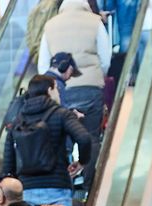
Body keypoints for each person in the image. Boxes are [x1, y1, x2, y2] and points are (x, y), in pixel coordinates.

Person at [2, 74, 95, 206]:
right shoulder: (62, 114)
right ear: (50, 90)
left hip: (26, 190)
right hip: (57, 188)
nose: (58, 93)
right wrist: (82, 162)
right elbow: (84, 138)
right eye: (56, 89)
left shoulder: (18, 120)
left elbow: (8, 159)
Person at [41, 0, 112, 177]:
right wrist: (96, 76)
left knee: (62, 141)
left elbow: (43, 66)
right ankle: (88, 186)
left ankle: (68, 185)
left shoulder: (50, 26)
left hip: (60, 91)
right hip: (90, 89)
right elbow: (106, 58)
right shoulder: (95, 21)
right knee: (91, 138)